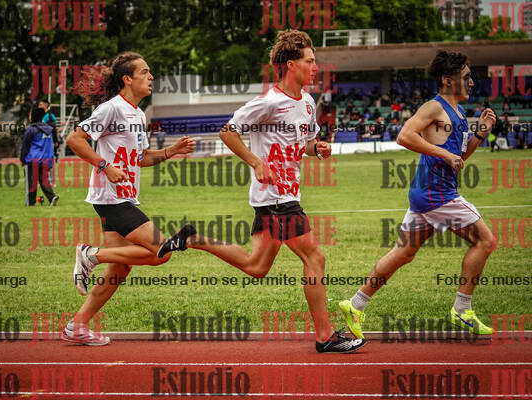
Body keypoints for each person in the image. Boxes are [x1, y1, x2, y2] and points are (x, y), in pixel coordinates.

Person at [155, 30, 366, 353]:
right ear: (291, 65)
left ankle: (194, 239)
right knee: (315, 257)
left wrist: (317, 148)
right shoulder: (269, 102)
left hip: (280, 197)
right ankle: (325, 336)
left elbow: (304, 144)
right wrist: (256, 162)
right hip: (277, 198)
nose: (315, 68)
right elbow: (228, 132)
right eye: (310, 61)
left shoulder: (308, 103)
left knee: (256, 266)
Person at [337, 50, 497, 339]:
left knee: (404, 252)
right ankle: (462, 309)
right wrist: (444, 155)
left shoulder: (459, 113)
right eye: (466, 77)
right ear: (448, 80)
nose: (472, 82)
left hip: (426, 193)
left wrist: (480, 133)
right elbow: (404, 136)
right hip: (437, 195)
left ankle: (355, 304)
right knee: (486, 241)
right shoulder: (433, 107)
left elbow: (459, 157)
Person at [62, 51, 196, 345]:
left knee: (120, 268)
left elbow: (142, 158)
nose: (151, 77)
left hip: (125, 197)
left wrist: (172, 151)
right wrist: (104, 166)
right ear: (127, 79)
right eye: (144, 72)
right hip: (110, 197)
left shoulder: (138, 114)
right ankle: (90, 255)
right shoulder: (112, 108)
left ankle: (77, 326)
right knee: (162, 252)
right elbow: (74, 139)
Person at [20, 107, 59, 206]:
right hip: (45, 159)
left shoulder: (31, 130)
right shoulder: (49, 130)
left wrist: (22, 158)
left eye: (30, 115)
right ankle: (52, 197)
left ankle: (30, 202)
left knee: (31, 182)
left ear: (33, 116)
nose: (29, 117)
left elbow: (25, 146)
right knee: (44, 180)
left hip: (32, 159)